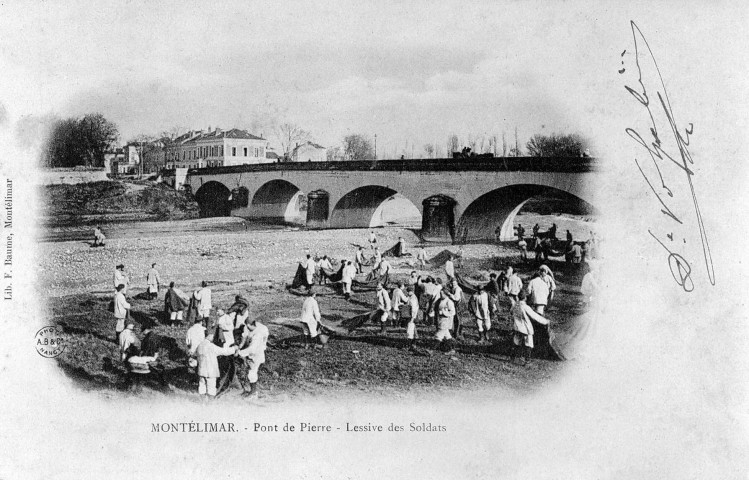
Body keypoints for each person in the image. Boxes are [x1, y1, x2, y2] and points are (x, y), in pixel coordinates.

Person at [510, 290, 550, 364]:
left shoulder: (515, 305)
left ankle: (513, 358)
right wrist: (546, 321)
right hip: (525, 327)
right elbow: (535, 316)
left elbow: (511, 312)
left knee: (516, 342)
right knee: (529, 343)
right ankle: (527, 360)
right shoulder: (525, 307)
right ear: (525, 298)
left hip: (517, 326)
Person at [195, 333, 237, 397]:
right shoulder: (211, 346)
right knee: (211, 389)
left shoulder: (199, 345)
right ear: (209, 336)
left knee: (202, 387)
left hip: (201, 370)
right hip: (210, 371)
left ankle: (202, 403)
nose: (213, 337)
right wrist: (234, 348)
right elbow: (224, 351)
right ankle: (210, 404)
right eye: (212, 336)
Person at [237, 316, 269, 398]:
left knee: (252, 373)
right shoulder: (250, 326)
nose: (247, 328)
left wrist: (240, 352)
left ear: (250, 324)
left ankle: (253, 392)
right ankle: (253, 389)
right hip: (252, 352)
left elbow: (252, 349)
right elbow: (244, 335)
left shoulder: (259, 333)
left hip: (256, 354)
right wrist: (240, 345)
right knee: (251, 371)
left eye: (247, 326)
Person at [435, 289, 456, 354]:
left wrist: (444, 312)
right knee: (447, 335)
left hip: (446, 320)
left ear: (446, 294)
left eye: (442, 294)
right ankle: (451, 349)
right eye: (440, 294)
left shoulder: (449, 302)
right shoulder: (440, 300)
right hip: (441, 319)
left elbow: (453, 312)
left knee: (439, 335)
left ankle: (432, 349)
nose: (441, 295)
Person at [405, 287, 420, 351]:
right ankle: (414, 343)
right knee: (414, 330)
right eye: (407, 291)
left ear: (412, 291)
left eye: (409, 291)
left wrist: (412, 318)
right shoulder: (411, 297)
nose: (408, 293)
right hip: (411, 315)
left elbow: (414, 309)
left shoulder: (413, 298)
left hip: (412, 316)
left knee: (410, 330)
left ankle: (410, 345)